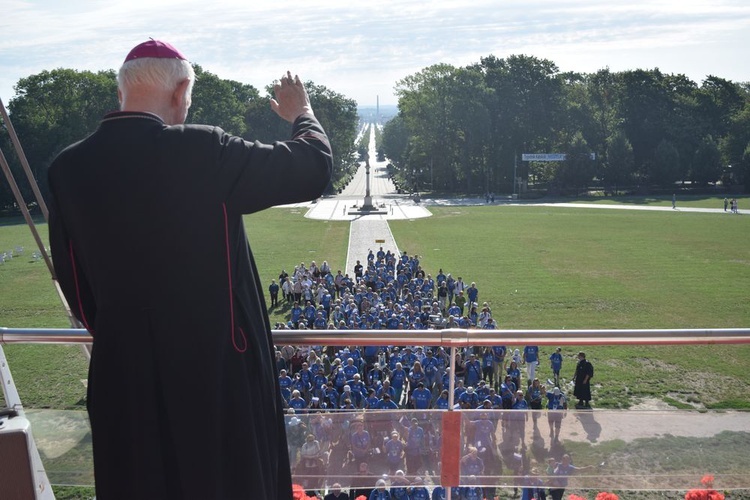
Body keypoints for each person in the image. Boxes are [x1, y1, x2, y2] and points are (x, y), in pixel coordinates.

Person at [47, 39, 332, 499]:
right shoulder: (203, 148)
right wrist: (303, 113)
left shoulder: (67, 168)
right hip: (216, 373)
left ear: (122, 92)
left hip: (122, 375)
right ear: (181, 91)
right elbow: (313, 167)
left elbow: (77, 290)